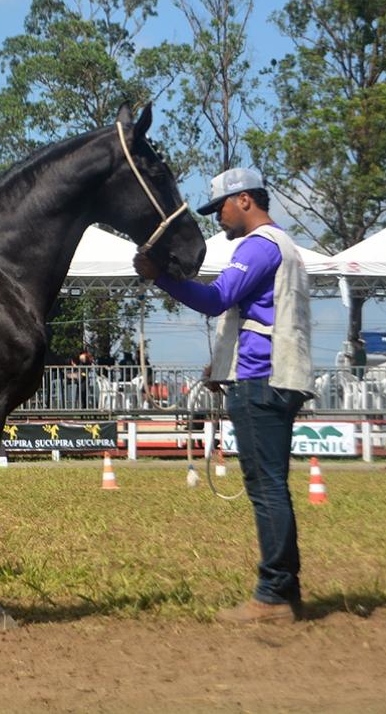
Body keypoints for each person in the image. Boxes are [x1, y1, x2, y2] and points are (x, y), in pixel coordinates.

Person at [134, 167, 314, 625]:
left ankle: (273, 595)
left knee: (265, 487)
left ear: (246, 201)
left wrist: (160, 277)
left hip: (261, 380)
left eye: (222, 208)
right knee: (273, 484)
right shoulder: (285, 246)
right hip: (276, 374)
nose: (219, 218)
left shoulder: (258, 246)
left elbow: (217, 299)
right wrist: (222, 363)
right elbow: (256, 313)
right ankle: (284, 588)